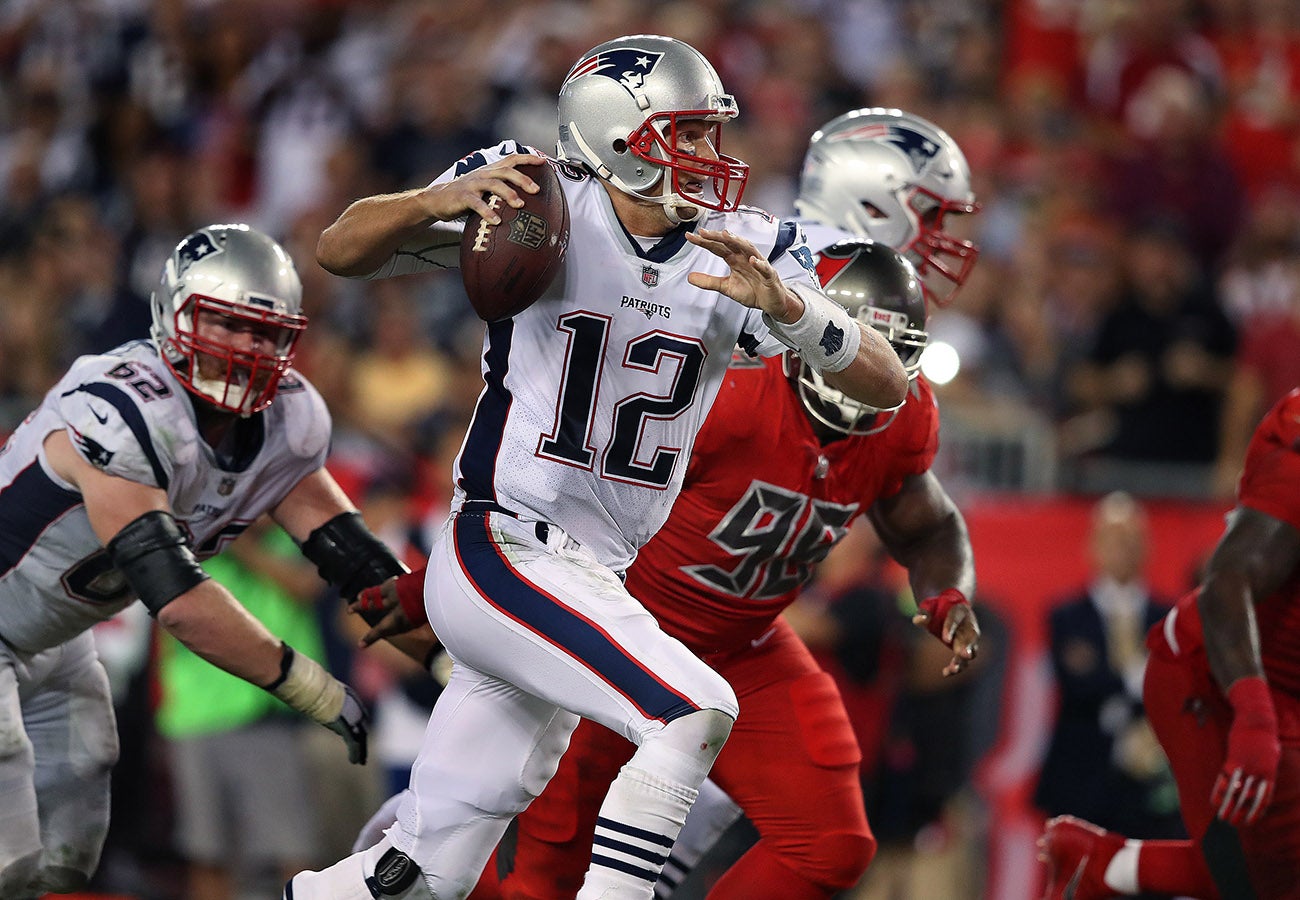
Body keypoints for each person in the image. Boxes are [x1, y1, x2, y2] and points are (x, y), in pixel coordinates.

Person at [287, 34, 909, 900]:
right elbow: (340, 248)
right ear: (618, 134)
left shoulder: (741, 248)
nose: (708, 156)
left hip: (592, 576)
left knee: (417, 877)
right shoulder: (540, 202)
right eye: (687, 134)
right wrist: (438, 200)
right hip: (502, 544)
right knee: (692, 710)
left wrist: (795, 311)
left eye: (708, 135)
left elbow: (886, 386)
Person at [0, 223, 423, 897]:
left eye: (267, 333)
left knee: (72, 835)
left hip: (55, 633)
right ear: (175, 314)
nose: (251, 349)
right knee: (9, 850)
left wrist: (446, 658)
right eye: (229, 325)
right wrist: (310, 686)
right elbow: (181, 601)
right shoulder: (120, 408)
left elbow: (352, 556)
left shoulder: (287, 419)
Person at [1039, 386, 1300, 899]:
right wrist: (1253, 715)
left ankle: (1103, 864)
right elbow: (1229, 583)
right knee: (1263, 884)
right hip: (1220, 679)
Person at [1034, 492, 1181, 842]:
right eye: (1113, 538)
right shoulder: (1066, 616)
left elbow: (1174, 691)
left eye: (1131, 539)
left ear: (1148, 547)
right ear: (1093, 545)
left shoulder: (1170, 618)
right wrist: (1137, 678)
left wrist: (1108, 679)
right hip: (1080, 781)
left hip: (1149, 788)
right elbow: (1076, 687)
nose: (1123, 548)